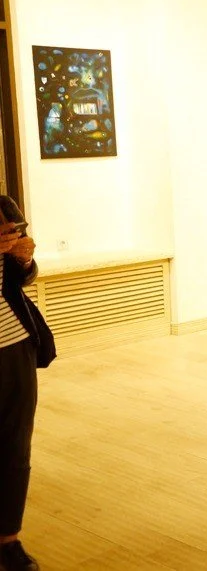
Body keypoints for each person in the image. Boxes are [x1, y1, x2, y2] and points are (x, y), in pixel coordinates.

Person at [0, 195, 51, 571]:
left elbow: (22, 278)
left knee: (16, 448)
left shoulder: (3, 206)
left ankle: (8, 539)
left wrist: (22, 257)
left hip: (13, 345)